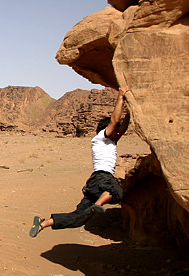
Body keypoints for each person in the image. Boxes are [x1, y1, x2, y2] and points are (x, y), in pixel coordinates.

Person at [29, 86, 131, 236]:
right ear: (107, 129)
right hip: (102, 178)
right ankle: (97, 204)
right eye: (115, 130)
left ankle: (43, 223)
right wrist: (121, 96)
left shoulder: (111, 140)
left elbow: (122, 127)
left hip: (93, 183)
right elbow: (115, 121)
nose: (118, 132)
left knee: (79, 218)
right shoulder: (102, 137)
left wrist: (130, 111)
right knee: (116, 191)